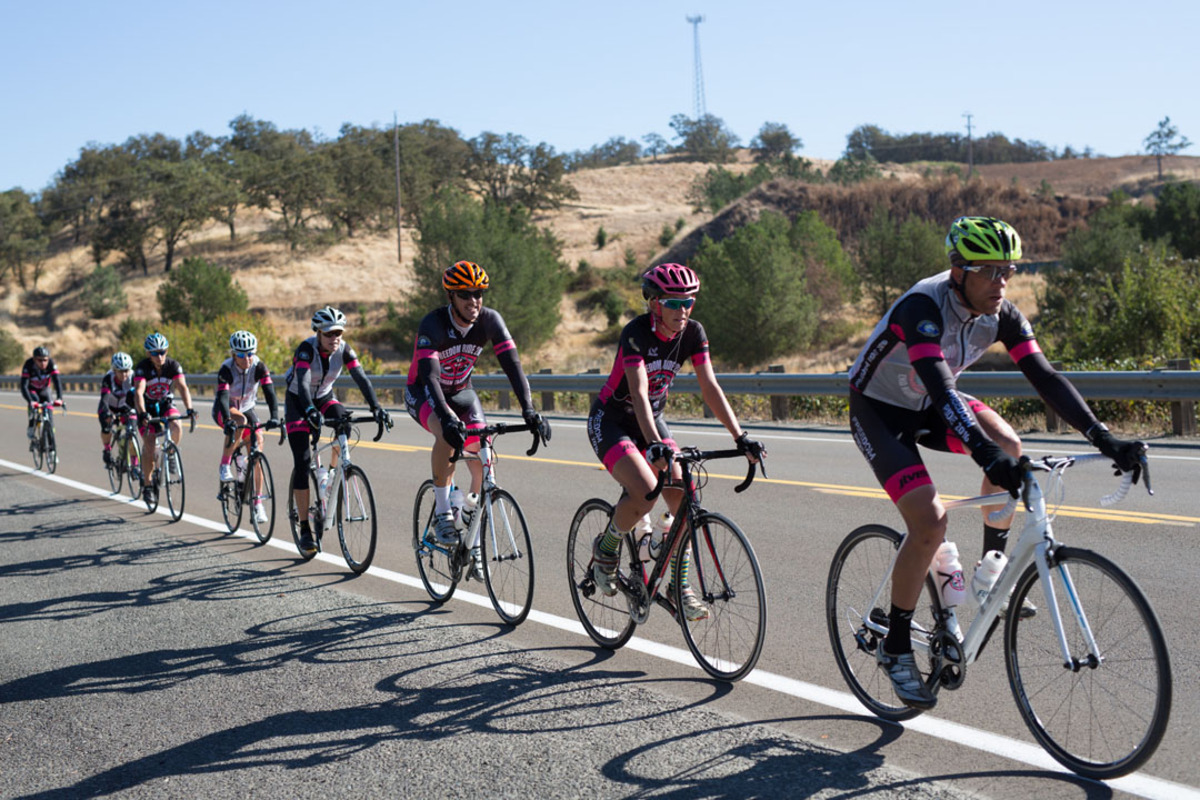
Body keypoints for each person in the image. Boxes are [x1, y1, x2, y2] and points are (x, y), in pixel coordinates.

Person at [847, 215, 1147, 710]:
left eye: (1008, 269)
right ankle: (897, 645)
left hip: (928, 401)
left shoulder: (1002, 312)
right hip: (880, 411)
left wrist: (1105, 437)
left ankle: (992, 574)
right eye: (989, 270)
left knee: (1010, 445)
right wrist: (979, 450)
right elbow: (942, 388)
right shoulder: (924, 306)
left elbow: (1045, 377)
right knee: (930, 521)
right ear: (958, 270)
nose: (1001, 281)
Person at [585, 263, 766, 621]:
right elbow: (637, 393)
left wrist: (740, 436)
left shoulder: (693, 333)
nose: (682, 310)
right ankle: (606, 549)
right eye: (673, 302)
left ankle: (678, 587)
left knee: (686, 495)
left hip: (654, 418)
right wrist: (654, 443)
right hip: (614, 420)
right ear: (654, 303)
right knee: (646, 489)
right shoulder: (636, 333)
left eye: (689, 302)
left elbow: (710, 387)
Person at [405, 260, 551, 581]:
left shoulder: (489, 320)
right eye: (466, 295)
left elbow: (513, 365)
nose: (475, 301)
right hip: (424, 394)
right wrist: (446, 418)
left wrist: (529, 410)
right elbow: (429, 378)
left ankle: (472, 540)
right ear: (451, 297)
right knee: (446, 434)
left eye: (480, 293)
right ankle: (444, 512)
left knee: (484, 462)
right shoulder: (433, 324)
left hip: (462, 393)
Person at [285, 306, 392, 557]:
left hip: (324, 397)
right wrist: (309, 410)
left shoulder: (344, 349)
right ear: (318, 333)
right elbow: (301, 383)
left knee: (343, 422)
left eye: (339, 333)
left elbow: (361, 378)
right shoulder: (305, 349)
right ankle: (303, 528)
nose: (335, 338)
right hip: (298, 401)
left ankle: (331, 476)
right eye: (329, 333)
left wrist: (377, 408)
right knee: (301, 462)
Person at [212, 330, 280, 524]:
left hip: (248, 407)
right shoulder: (226, 369)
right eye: (241, 354)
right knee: (239, 422)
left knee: (257, 446)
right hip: (227, 408)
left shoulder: (259, 366)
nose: (246, 358)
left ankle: (257, 502)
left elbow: (270, 392)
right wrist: (227, 420)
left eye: (250, 353)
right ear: (234, 354)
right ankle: (225, 464)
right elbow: (224, 398)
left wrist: (275, 416)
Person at [131, 332, 196, 501]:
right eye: (154, 353)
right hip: (147, 408)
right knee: (150, 446)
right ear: (148, 354)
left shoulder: (173, 365)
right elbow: (139, 392)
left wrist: (189, 408)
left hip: (165, 405)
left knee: (176, 425)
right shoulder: (142, 368)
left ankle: (171, 452)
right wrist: (143, 413)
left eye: (162, 352)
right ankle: (147, 484)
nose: (159, 357)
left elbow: (182, 387)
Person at [98, 352, 135, 467]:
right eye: (120, 371)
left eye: (126, 370)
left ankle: (135, 465)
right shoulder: (108, 378)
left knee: (132, 434)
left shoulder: (133, 377)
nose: (124, 374)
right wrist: (107, 413)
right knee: (106, 426)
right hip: (110, 407)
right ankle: (107, 449)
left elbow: (139, 396)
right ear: (114, 370)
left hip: (126, 406)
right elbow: (104, 399)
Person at [20, 346, 65, 442]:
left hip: (44, 389)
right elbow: (24, 386)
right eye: (39, 360)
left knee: (49, 409)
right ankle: (31, 425)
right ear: (34, 359)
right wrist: (30, 401)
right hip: (32, 390)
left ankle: (51, 442)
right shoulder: (28, 365)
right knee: (34, 404)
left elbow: (57, 381)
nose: (43, 363)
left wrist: (59, 398)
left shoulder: (51, 363)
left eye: (45, 360)